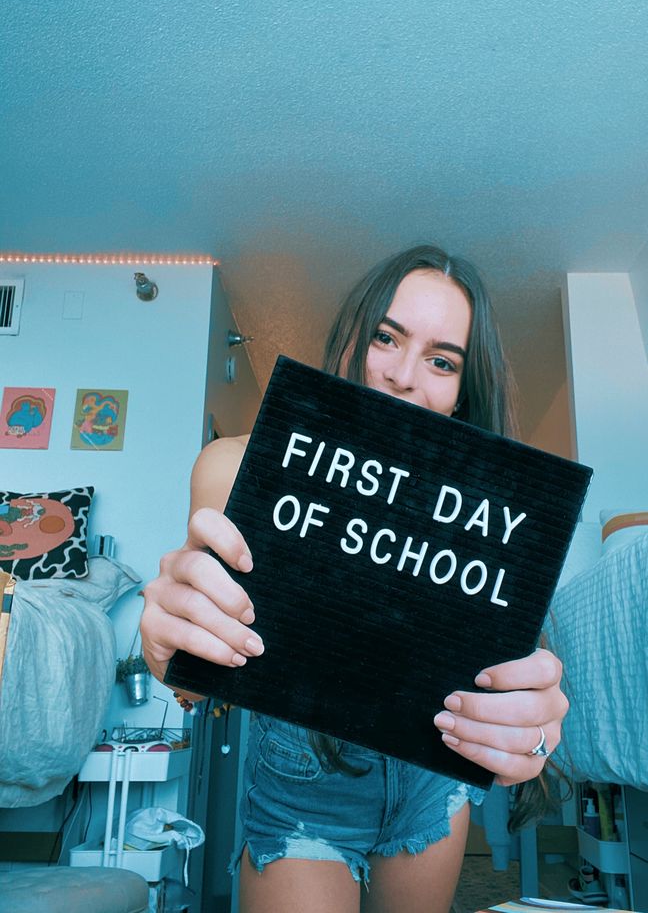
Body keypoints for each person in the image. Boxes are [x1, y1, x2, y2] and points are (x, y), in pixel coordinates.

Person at [141, 245, 568, 913]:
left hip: (432, 784)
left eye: (442, 360)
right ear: (350, 342)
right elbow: (195, 677)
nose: (401, 375)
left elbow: (514, 689)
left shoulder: (487, 522)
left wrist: (533, 733)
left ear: (461, 394)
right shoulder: (234, 467)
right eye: (386, 337)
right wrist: (168, 650)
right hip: (302, 789)